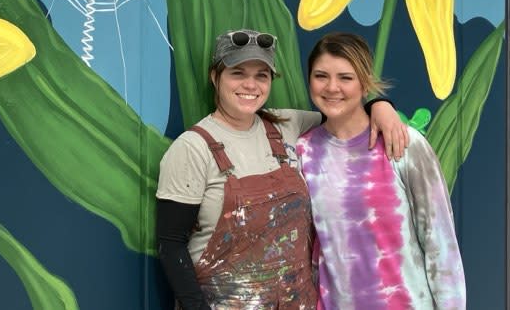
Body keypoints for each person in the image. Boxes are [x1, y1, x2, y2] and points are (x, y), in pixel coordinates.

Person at [156, 29, 408, 309]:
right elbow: (171, 244)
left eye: (261, 76)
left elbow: (346, 112)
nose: (250, 85)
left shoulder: (288, 125)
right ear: (215, 77)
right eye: (238, 73)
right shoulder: (191, 148)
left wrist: (381, 105)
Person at [296, 32, 465, 309]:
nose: (332, 87)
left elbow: (440, 245)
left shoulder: (404, 144)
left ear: (365, 83)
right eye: (321, 76)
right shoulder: (303, 152)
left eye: (346, 77)